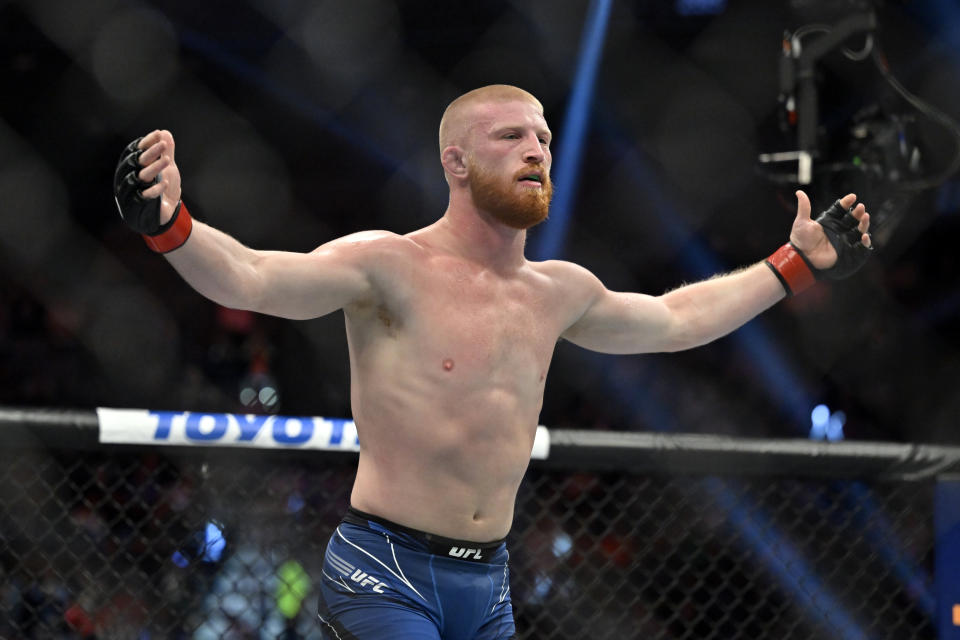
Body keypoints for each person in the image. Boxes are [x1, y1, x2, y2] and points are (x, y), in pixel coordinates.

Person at [113, 84, 872, 639]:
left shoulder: (558, 291)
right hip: (385, 569)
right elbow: (251, 276)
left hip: (488, 582)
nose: (537, 150)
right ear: (456, 161)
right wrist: (170, 225)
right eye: (511, 137)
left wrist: (790, 267)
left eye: (542, 137)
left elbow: (676, 319)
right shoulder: (388, 264)